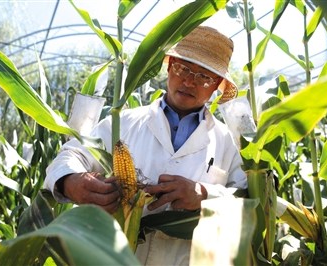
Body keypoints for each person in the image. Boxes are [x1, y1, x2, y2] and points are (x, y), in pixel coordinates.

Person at [44, 25, 247, 265]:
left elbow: (248, 203)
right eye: (183, 68)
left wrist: (205, 195)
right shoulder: (122, 123)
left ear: (218, 86)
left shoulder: (229, 143)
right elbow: (72, 155)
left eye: (204, 76)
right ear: (170, 66)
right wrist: (70, 181)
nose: (190, 81)